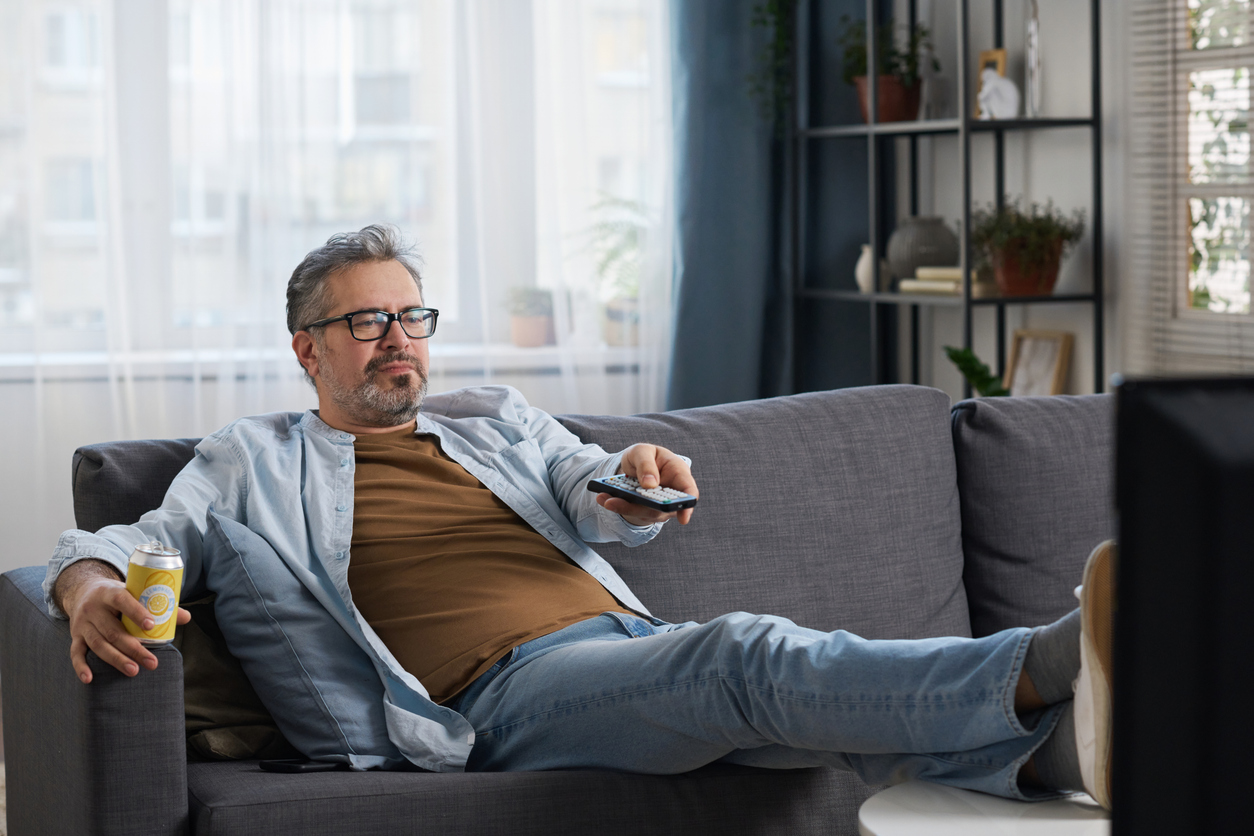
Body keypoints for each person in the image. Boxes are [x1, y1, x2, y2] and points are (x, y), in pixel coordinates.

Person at [44, 225, 1113, 809]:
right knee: (745, 658)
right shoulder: (252, 457)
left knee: (804, 724)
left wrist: (633, 476)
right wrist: (88, 583)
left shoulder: (494, 419)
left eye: (410, 315)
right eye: (364, 320)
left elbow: (592, 486)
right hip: (497, 695)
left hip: (619, 648)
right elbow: (131, 542)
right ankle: (1057, 649)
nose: (395, 339)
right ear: (308, 348)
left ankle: (1077, 753)